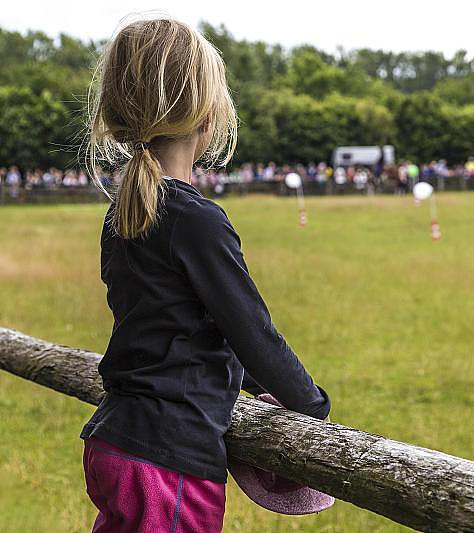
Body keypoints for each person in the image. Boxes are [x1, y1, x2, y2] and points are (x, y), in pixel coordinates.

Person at [81, 18, 331, 532]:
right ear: (207, 114)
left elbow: (196, 326)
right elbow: (250, 331)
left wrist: (266, 387)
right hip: (166, 459)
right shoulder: (193, 219)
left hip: (119, 440)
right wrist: (311, 405)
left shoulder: (126, 212)